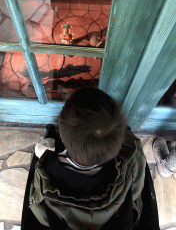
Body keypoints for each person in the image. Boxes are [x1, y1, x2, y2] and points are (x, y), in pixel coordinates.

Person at [21, 87, 160, 230]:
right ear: (120, 140)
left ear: (61, 136)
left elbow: (38, 210)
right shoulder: (131, 157)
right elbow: (136, 191)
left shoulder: (46, 169)